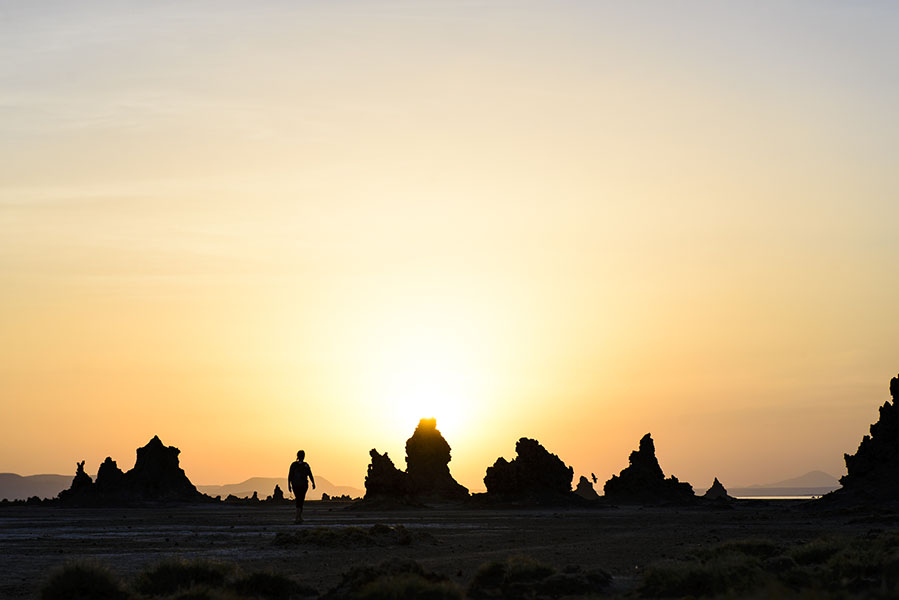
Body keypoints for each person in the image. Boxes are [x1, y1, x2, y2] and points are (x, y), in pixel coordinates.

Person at [288, 450, 315, 523]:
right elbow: (310, 474)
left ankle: (298, 516)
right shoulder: (305, 465)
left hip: (296, 484)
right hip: (301, 485)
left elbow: (290, 475)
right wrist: (313, 483)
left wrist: (289, 485)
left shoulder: (295, 465)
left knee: (298, 500)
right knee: (301, 500)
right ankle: (298, 517)